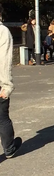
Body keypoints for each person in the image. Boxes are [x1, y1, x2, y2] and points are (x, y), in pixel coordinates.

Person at [0, 12, 23, 158]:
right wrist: (7, 85)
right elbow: (4, 60)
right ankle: (8, 148)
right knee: (2, 117)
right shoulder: (2, 31)